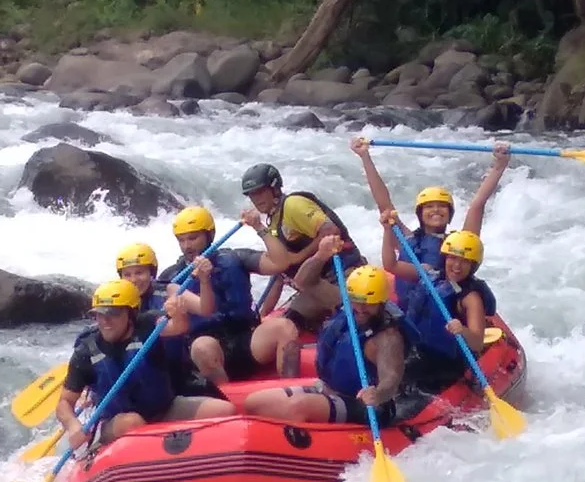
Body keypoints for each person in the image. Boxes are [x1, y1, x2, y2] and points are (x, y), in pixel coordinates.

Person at [55, 281, 233, 450]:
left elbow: (178, 327)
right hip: (117, 422)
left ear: (131, 313)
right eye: (99, 315)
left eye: (113, 314)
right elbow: (65, 402)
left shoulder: (148, 325)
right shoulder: (87, 350)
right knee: (133, 422)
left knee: (225, 411)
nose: (105, 321)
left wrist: (178, 313)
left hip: (164, 410)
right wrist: (72, 425)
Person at [242, 259, 410, 425]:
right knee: (255, 403)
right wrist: (322, 254)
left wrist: (377, 394)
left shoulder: (387, 337)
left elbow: (392, 377)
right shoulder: (343, 303)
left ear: (381, 302)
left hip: (366, 406)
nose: (360, 308)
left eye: (367, 303)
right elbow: (305, 281)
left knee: (299, 406)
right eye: (356, 301)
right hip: (328, 388)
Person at [240, 161, 367, 377]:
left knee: (341, 317)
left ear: (274, 187)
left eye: (261, 191)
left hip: (343, 276)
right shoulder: (273, 223)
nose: (257, 198)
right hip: (312, 286)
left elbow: (330, 231)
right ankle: (286, 382)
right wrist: (260, 318)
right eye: (252, 195)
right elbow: (280, 277)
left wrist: (298, 256)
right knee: (290, 323)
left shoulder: (293, 205)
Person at [352, 135, 509, 272]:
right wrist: (365, 157)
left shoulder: (461, 243)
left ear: (450, 214)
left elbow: (477, 205)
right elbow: (384, 204)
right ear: (420, 214)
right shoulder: (407, 239)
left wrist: (499, 166)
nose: (436, 210)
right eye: (429, 206)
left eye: (442, 206)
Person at [384, 223, 497, 394]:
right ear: (444, 257)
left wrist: (462, 330)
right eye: (452, 258)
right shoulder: (431, 275)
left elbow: (476, 343)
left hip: (445, 362)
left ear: (473, 265)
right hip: (418, 350)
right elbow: (391, 265)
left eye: (464, 261)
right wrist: (387, 230)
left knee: (402, 386)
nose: (457, 266)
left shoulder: (470, 298)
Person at [163, 205, 267, 386]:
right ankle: (230, 403)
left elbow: (280, 264)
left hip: (244, 338)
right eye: (181, 240)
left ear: (209, 235)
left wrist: (259, 227)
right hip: (206, 348)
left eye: (193, 238)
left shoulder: (235, 258)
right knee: (203, 347)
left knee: (283, 327)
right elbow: (205, 309)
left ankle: (296, 392)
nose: (187, 246)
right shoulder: (172, 279)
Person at [114, 241, 168, 317]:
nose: (133, 280)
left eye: (139, 273)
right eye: (127, 275)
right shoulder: (115, 299)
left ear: (151, 273)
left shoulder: (167, 295)